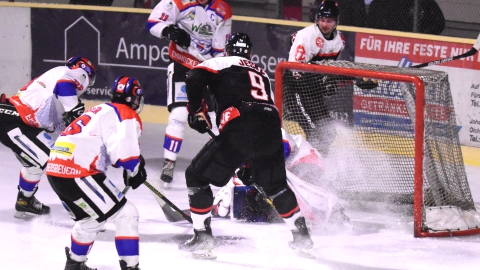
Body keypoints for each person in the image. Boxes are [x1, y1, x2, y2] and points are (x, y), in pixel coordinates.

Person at [179, 32, 314, 259]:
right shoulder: (261, 72)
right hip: (271, 127)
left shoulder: (220, 62)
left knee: (196, 176)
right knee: (276, 187)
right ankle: (302, 237)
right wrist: (251, 163)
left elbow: (193, 77)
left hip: (241, 124)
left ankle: (202, 236)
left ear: (228, 50)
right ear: (250, 54)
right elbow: (263, 114)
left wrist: (197, 111)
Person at [46, 76, 146, 270]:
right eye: (136, 97)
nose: (137, 102)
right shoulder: (125, 113)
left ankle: (74, 265)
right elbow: (124, 157)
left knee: (90, 219)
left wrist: (132, 167)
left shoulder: (100, 109)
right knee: (126, 214)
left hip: (55, 170)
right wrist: (135, 169)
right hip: (78, 172)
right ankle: (131, 267)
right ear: (129, 98)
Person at [146, 0, 232, 188]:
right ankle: (169, 164)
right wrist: (170, 31)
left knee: (217, 122)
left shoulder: (222, 10)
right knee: (178, 115)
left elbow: (219, 49)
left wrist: (217, 70)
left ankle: (221, 168)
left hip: (205, 70)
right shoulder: (178, 1)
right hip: (181, 64)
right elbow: (153, 22)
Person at [0, 56, 95, 219]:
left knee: (37, 163)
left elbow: (60, 129)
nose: (87, 82)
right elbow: (65, 84)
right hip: (13, 119)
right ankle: (81, 213)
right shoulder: (75, 73)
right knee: (54, 162)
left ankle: (25, 201)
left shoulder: (56, 79)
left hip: (18, 120)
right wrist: (74, 110)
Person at [212, 128, 349, 227]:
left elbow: (285, 146)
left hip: (306, 160)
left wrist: (257, 169)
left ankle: (331, 209)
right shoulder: (242, 148)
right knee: (272, 188)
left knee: (278, 180)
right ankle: (324, 214)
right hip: (294, 167)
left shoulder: (260, 131)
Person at [286, 0, 346, 156]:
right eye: (322, 19)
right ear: (317, 18)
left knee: (328, 133)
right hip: (295, 89)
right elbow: (295, 71)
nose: (325, 24)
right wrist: (319, 81)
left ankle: (317, 166)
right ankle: (301, 164)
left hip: (312, 92)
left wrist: (331, 81)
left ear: (336, 22)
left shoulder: (339, 41)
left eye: (329, 20)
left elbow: (331, 70)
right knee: (312, 132)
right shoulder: (306, 36)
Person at [366, 0, 445, 35]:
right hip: (389, 42)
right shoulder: (381, 3)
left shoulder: (425, 3)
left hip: (414, 44)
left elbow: (439, 23)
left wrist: (423, 36)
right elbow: (372, 24)